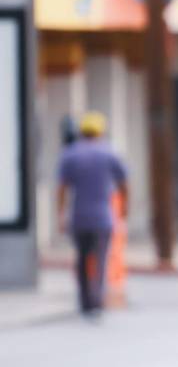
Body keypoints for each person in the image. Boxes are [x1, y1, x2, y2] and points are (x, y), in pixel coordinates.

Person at [57, 111, 128, 317]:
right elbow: (124, 184)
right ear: (100, 132)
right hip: (102, 217)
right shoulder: (109, 153)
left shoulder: (70, 154)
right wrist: (125, 208)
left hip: (79, 217)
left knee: (81, 259)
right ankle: (96, 300)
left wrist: (61, 214)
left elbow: (62, 188)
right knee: (100, 260)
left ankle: (85, 301)